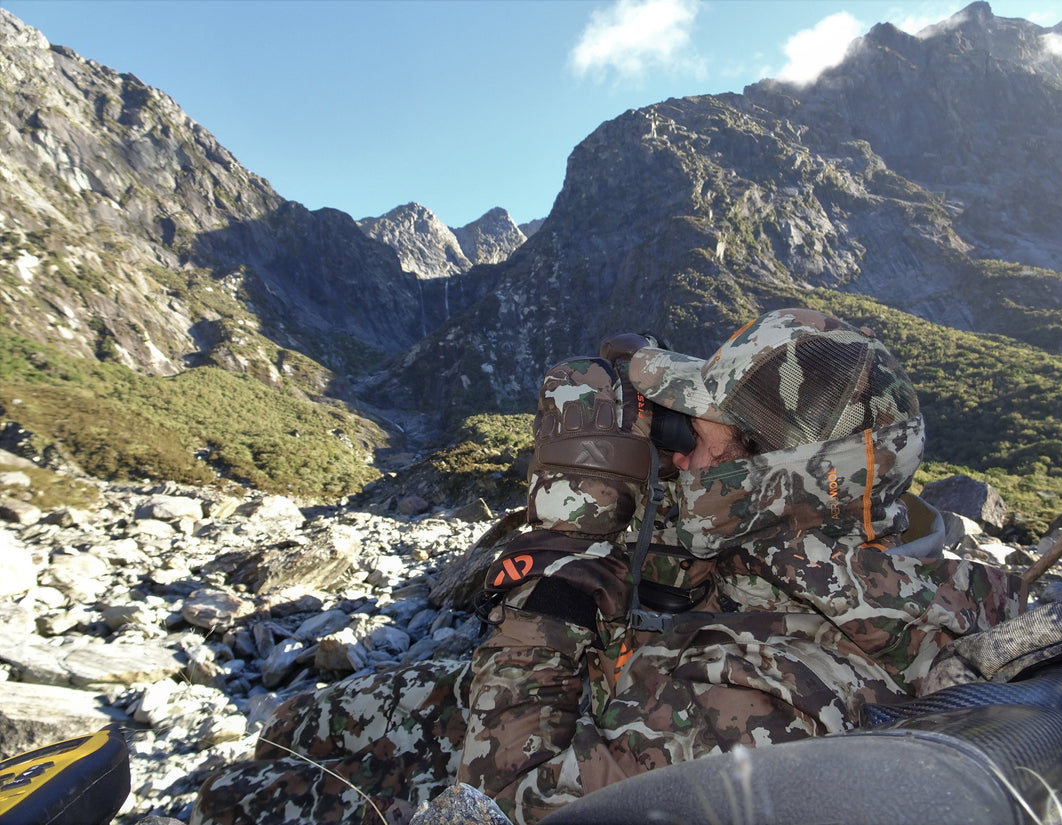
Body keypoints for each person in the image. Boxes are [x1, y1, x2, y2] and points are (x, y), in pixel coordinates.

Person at [191, 307, 1019, 825]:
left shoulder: (771, 697)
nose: (680, 453)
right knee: (300, 723)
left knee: (255, 800)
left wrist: (551, 578)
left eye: (702, 437)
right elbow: (716, 586)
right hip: (580, 705)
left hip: (515, 760)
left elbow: (497, 806)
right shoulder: (834, 557)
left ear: (779, 475)